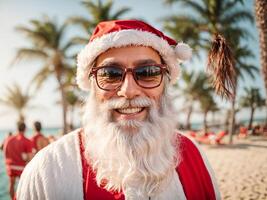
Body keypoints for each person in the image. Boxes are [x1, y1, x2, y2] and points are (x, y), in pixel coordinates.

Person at [17, 20, 221, 200]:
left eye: (148, 72)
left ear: (165, 83)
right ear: (92, 85)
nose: (129, 91)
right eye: (111, 74)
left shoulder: (195, 156)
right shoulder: (48, 170)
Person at [3, 121, 33, 199]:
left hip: (10, 166)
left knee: (11, 184)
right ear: (25, 129)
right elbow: (29, 158)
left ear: (17, 128)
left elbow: (5, 151)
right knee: (23, 186)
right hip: (21, 167)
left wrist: (8, 163)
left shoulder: (8, 139)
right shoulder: (27, 141)